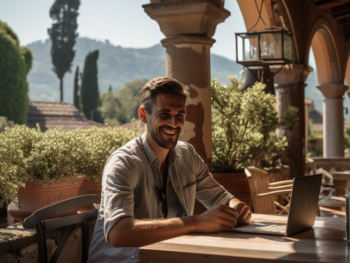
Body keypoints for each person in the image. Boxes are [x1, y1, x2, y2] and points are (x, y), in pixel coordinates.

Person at [87, 77, 251, 263]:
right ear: (143, 115)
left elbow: (224, 199)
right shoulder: (123, 163)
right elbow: (118, 233)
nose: (174, 123)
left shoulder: (187, 155)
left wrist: (236, 210)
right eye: (165, 114)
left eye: (180, 115)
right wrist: (197, 222)